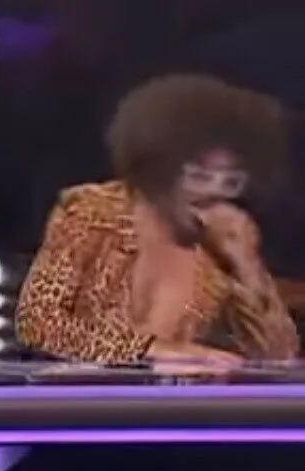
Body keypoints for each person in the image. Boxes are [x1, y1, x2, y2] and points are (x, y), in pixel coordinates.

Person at [16, 74, 299, 366]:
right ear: (162, 170)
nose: (214, 192)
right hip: (82, 390)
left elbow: (280, 357)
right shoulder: (94, 212)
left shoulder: (219, 246)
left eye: (231, 182)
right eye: (199, 176)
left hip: (175, 394)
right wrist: (151, 350)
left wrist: (246, 264)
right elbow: (38, 324)